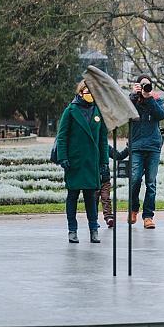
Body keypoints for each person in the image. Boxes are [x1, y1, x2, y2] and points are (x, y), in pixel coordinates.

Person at [55, 81, 109, 244]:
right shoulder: (70, 111)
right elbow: (62, 136)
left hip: (91, 161)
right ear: (80, 92)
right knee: (72, 195)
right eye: (88, 91)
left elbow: (103, 139)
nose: (91, 94)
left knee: (91, 197)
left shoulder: (98, 111)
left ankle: (94, 229)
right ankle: (72, 230)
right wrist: (62, 157)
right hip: (74, 161)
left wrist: (104, 160)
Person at [128, 74, 164, 229]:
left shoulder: (156, 99)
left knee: (151, 182)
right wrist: (133, 95)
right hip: (136, 146)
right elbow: (125, 113)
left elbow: (161, 115)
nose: (145, 88)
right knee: (135, 179)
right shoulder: (132, 100)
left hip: (153, 146)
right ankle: (133, 208)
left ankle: (148, 216)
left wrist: (149, 97)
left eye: (147, 85)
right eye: (142, 85)